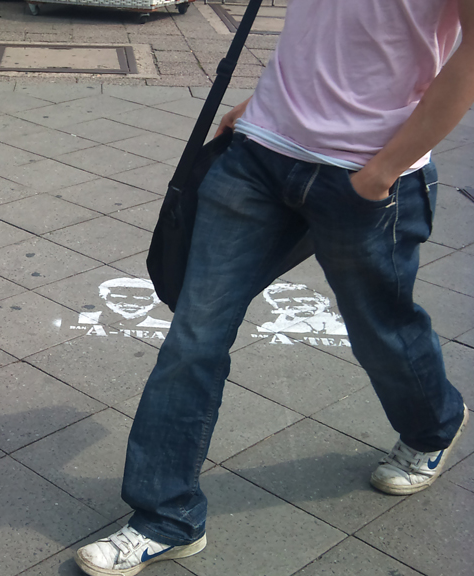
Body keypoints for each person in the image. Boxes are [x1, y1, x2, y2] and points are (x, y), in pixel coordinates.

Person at [76, 1, 473, 575]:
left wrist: (383, 171)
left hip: (367, 175)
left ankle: (434, 424)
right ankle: (166, 517)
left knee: (380, 330)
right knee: (194, 336)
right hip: (260, 155)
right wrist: (267, 105)